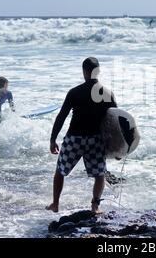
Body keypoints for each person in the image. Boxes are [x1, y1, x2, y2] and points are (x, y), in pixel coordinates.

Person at [46, 57, 117, 214]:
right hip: (96, 140)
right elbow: (116, 121)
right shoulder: (107, 93)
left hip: (74, 139)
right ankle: (95, 205)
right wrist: (117, 147)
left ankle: (55, 203)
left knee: (60, 171)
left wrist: (53, 139)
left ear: (84, 71)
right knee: (99, 174)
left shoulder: (74, 92)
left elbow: (61, 116)